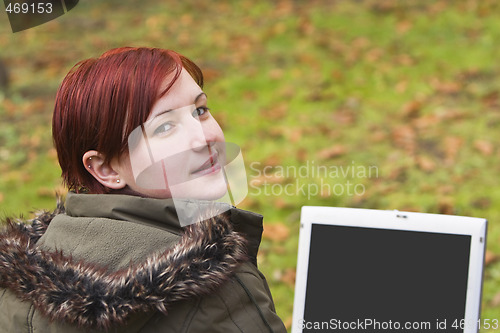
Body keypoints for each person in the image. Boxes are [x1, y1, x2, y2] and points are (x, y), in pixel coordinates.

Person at [0, 47, 286, 333]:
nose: (206, 137)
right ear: (106, 169)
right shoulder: (219, 290)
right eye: (164, 127)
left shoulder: (17, 286)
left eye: (200, 110)